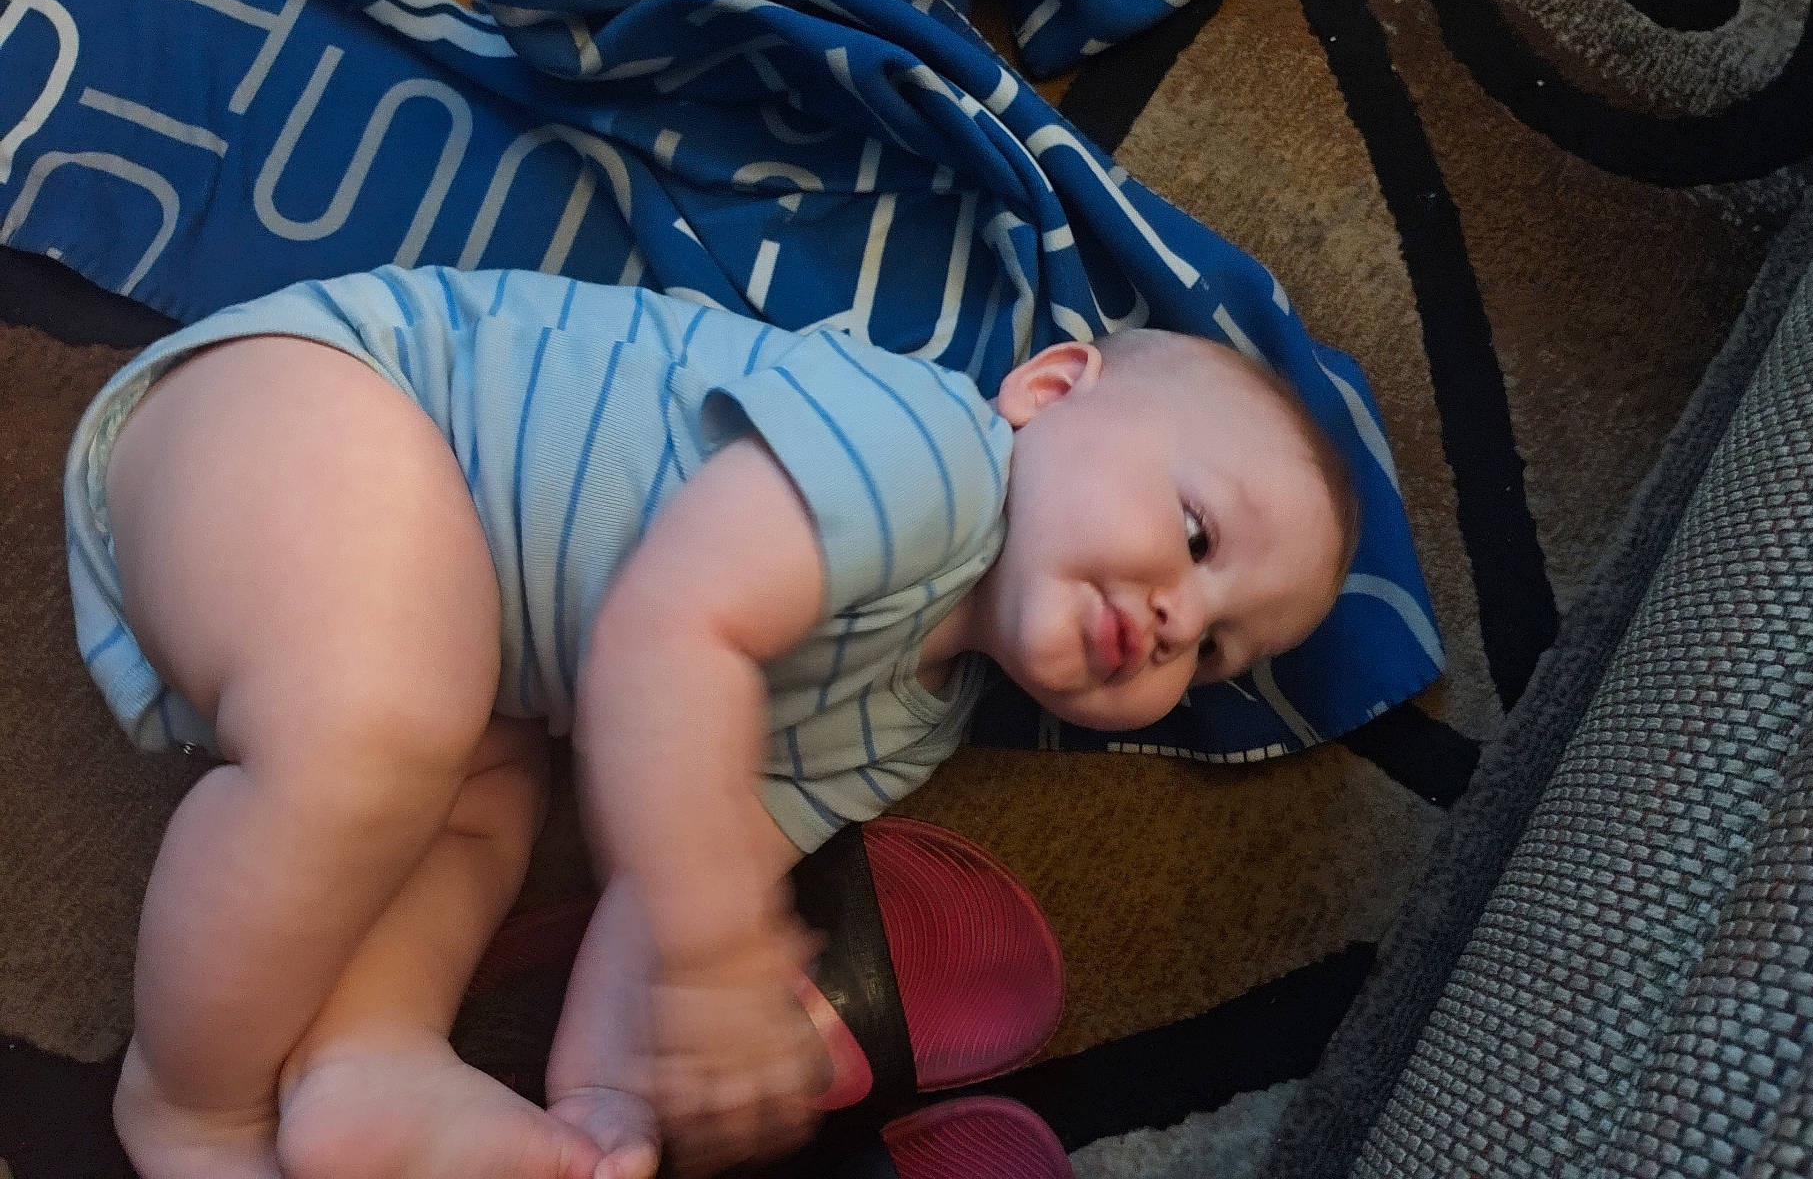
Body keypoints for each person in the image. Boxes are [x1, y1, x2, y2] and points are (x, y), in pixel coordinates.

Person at [64, 264, 1360, 1179]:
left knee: (476, 801)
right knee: (388, 721)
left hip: (460, 649)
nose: (1179, 618)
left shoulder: (907, 727)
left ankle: (368, 1066)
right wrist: (717, 948)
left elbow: (692, 843)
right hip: (306, 404)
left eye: (1218, 647)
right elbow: (667, 639)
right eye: (1195, 536)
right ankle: (188, 1102)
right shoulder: (925, 455)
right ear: (1049, 389)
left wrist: (623, 1100)